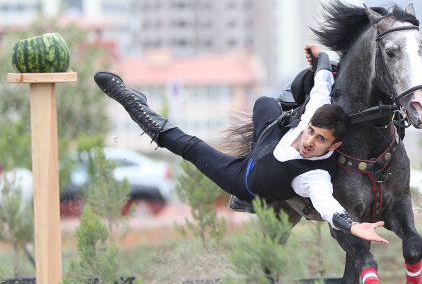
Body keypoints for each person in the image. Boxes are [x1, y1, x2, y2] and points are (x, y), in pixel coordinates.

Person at [94, 44, 388, 243]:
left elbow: (328, 207)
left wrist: (353, 225)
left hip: (244, 178)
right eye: (311, 132)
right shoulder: (315, 113)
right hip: (268, 141)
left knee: (191, 147)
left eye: (320, 140)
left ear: (333, 147)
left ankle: (134, 104)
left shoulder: (314, 177)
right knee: (264, 103)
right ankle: (269, 128)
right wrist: (320, 55)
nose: (309, 141)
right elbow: (323, 80)